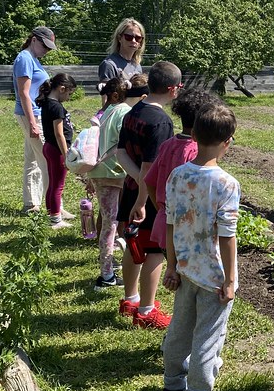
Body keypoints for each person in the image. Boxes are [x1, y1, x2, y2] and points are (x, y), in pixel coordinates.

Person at [159, 102, 242, 391]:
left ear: (192, 135)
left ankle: (171, 388)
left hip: (185, 268)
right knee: (207, 339)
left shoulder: (178, 176)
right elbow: (227, 235)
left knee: (179, 330)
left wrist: (171, 264)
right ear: (228, 142)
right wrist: (230, 280)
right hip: (213, 277)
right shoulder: (226, 184)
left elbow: (169, 221)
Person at [116, 61, 181, 328]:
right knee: (153, 251)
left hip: (130, 189)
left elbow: (121, 154)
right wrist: (144, 201)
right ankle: (146, 310)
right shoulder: (161, 121)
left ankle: (130, 299)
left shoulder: (133, 112)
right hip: (148, 197)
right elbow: (150, 168)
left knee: (133, 245)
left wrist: (135, 181)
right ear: (173, 89)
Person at [136, 89, 213, 250]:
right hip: (186, 226)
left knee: (172, 268)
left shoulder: (167, 145)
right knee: (183, 271)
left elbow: (149, 181)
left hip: (164, 221)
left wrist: (161, 209)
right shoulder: (195, 151)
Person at [86, 76, 134, 291]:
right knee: (112, 224)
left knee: (109, 222)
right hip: (116, 173)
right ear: (116, 94)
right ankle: (106, 274)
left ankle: (111, 267)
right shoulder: (123, 111)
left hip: (99, 172)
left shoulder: (103, 113)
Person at [12, 25, 56, 213]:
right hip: (30, 115)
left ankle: (31, 204)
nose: (46, 51)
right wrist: (32, 123)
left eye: (49, 48)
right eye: (44, 46)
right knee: (48, 159)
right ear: (34, 39)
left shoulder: (33, 59)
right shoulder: (25, 58)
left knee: (33, 159)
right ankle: (53, 206)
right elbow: (24, 94)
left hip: (35, 114)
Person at [37, 73, 77, 229]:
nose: (68, 97)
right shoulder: (56, 107)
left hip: (48, 147)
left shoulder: (47, 102)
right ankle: (55, 219)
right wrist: (66, 154)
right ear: (61, 89)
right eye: (69, 93)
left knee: (53, 183)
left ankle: (51, 213)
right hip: (56, 150)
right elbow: (59, 133)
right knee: (58, 185)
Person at [98, 17, 146, 85]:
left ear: (141, 42)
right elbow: (106, 94)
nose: (133, 41)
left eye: (138, 38)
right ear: (119, 38)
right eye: (128, 37)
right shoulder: (109, 65)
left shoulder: (137, 65)